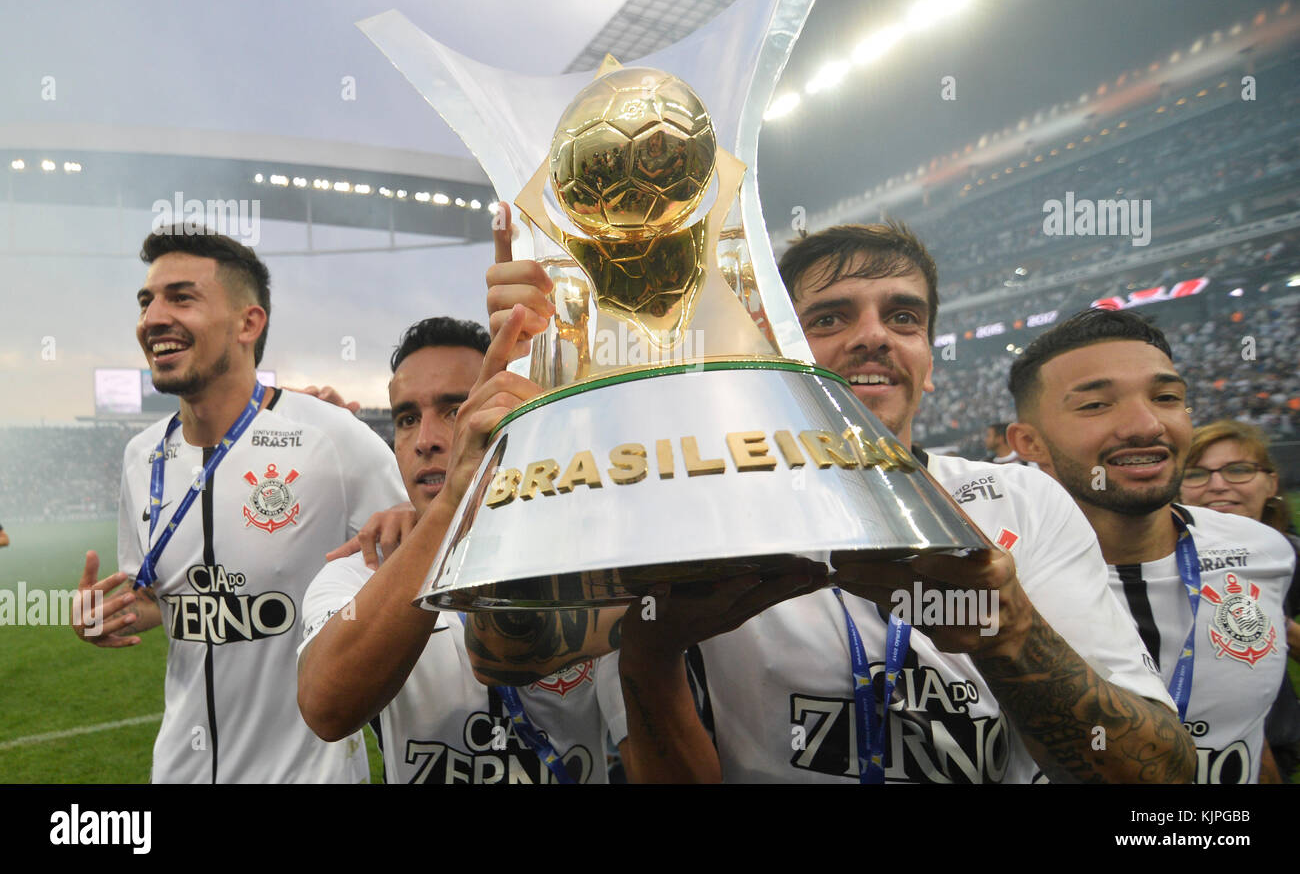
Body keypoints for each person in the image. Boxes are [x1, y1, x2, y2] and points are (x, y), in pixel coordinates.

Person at [484, 214, 1193, 783]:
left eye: (904, 318)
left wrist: (1011, 636)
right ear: (772, 353)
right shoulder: (691, 512)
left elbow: (1161, 776)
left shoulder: (1020, 502)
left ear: (930, 361)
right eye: (828, 319)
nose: (874, 336)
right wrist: (555, 421)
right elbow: (505, 653)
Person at [71, 226, 407, 783]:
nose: (153, 317)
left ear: (249, 323)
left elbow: (422, 558)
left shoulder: (330, 438)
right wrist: (113, 613)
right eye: (146, 300)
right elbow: (166, 596)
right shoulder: (141, 458)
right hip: (178, 771)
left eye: (181, 297)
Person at [296, 314, 628, 783]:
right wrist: (452, 507)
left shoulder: (583, 562)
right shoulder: (360, 571)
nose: (425, 441)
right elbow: (326, 708)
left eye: (455, 410)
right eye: (407, 419)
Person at [1006, 310, 1295, 783]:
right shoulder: (997, 591)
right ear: (1030, 442)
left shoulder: (1262, 552)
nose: (1145, 425)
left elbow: (1246, 729)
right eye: (1096, 405)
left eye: (1166, 398)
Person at [1177, 419, 1300, 781]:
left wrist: (1280, 626)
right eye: (1197, 473)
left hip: (1271, 743)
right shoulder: (1151, 560)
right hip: (1172, 750)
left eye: (1238, 470)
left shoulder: (1288, 556)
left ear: (1271, 483)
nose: (1218, 485)